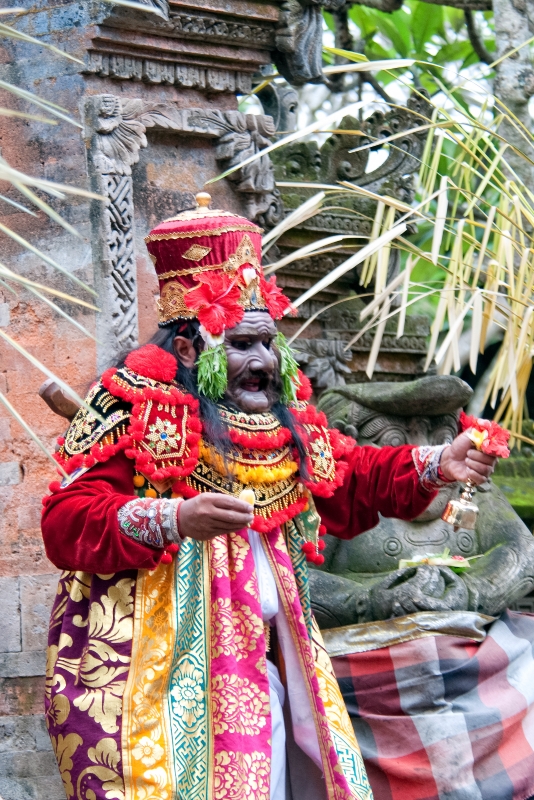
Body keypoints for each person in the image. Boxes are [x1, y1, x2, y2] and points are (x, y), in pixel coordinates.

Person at [41, 193, 497, 800]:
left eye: (267, 343)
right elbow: (64, 521)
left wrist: (439, 462)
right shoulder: (130, 403)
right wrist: (173, 516)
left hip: (268, 660)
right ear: (186, 349)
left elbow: (351, 477)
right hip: (154, 670)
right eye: (239, 345)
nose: (262, 363)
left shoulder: (288, 419)